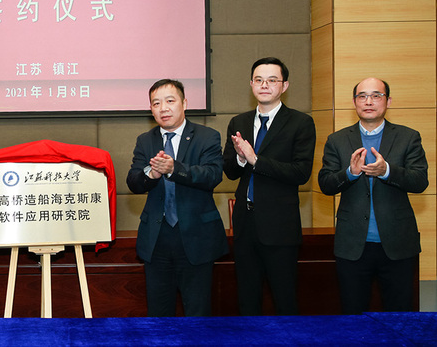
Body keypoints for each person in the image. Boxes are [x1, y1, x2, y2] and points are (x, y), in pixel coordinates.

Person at [318, 78, 427, 314]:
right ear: (354, 102)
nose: (369, 101)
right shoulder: (337, 140)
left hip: (398, 244)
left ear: (388, 101)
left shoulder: (408, 137)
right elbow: (325, 184)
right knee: (353, 316)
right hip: (352, 245)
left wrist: (386, 171)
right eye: (362, 96)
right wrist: (350, 173)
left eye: (376, 95)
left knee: (399, 317)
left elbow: (420, 181)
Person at [127, 79, 228, 317]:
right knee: (158, 314)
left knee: (197, 313)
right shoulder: (145, 140)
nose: (163, 108)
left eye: (170, 101)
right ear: (151, 109)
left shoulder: (207, 136)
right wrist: (151, 174)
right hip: (157, 239)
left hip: (196, 238)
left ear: (184, 103)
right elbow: (133, 182)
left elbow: (212, 175)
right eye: (156, 103)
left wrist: (174, 169)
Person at [223, 57, 315, 316]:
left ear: (284, 86)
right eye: (259, 80)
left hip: (280, 226)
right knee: (247, 300)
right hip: (245, 224)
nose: (264, 85)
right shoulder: (239, 122)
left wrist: (256, 160)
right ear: (251, 84)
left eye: (272, 80)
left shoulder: (300, 122)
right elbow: (229, 171)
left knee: (284, 301)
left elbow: (301, 173)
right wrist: (241, 159)